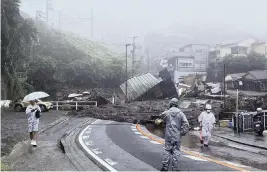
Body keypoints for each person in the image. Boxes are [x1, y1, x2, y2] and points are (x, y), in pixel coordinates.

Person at [157, 98, 189, 171]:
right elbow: (186, 124)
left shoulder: (167, 112)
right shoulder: (181, 113)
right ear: (177, 104)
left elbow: (160, 118)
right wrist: (182, 133)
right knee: (176, 151)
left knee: (167, 150)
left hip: (168, 135)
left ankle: (165, 167)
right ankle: (174, 168)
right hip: (177, 136)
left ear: (170, 104)